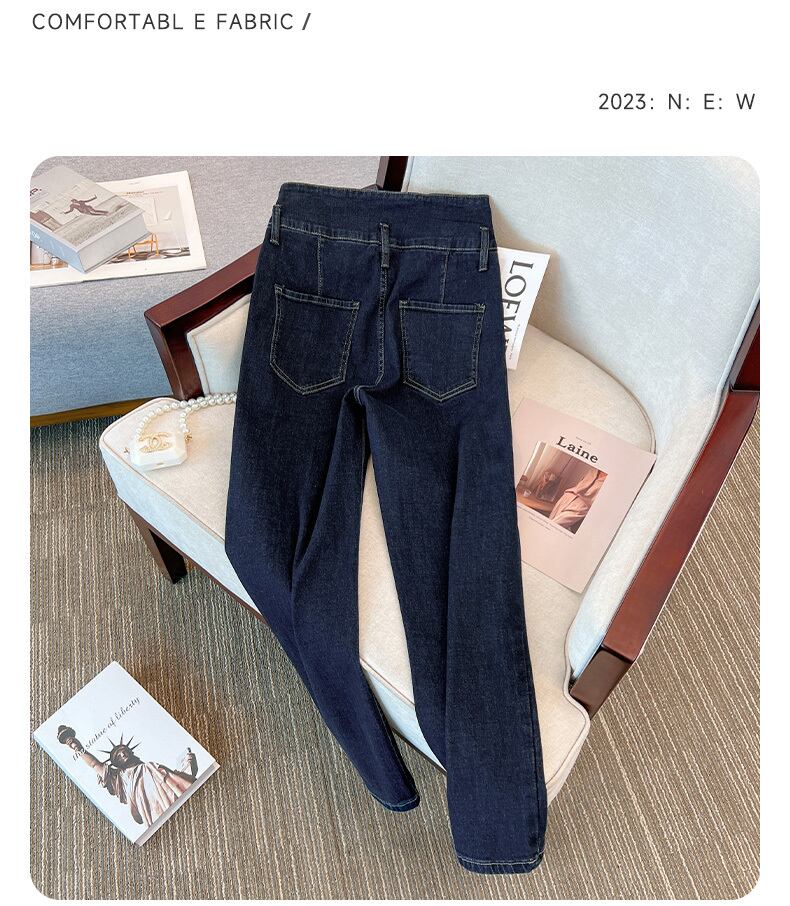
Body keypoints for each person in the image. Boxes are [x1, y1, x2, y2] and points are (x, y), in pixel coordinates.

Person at [57, 725, 196, 827]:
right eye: (118, 755)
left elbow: (177, 781)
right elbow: (94, 764)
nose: (123, 754)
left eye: (124, 751)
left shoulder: (150, 766)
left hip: (175, 802)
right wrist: (78, 748)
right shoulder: (120, 779)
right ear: (116, 763)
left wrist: (188, 765)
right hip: (153, 814)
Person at [548, 467, 607, 533]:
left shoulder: (611, 480)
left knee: (555, 525)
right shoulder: (595, 469)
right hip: (569, 495)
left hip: (583, 505)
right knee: (549, 522)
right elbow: (581, 484)